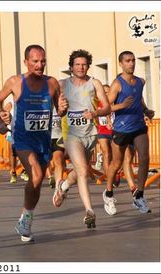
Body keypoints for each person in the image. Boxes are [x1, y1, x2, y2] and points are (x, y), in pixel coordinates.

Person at [0, 44, 68, 242]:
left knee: (37, 183)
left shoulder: (52, 83)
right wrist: (0, 116)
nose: (40, 65)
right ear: (26, 62)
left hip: (43, 140)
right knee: (36, 175)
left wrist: (63, 108)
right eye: (35, 61)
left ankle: (25, 219)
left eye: (43, 61)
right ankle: (26, 219)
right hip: (22, 138)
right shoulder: (15, 82)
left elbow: (60, 110)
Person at [53, 49, 111, 229]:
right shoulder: (61, 84)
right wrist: (60, 109)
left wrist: (95, 112)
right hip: (71, 134)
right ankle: (89, 211)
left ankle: (63, 186)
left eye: (84, 64)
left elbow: (107, 107)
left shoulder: (95, 83)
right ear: (71, 66)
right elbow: (55, 108)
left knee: (82, 170)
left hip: (90, 134)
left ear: (88, 66)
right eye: (77, 64)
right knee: (83, 171)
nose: (81, 67)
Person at [102, 51, 154, 215]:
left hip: (138, 125)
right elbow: (105, 107)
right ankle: (108, 193)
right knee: (116, 163)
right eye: (127, 61)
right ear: (121, 64)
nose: (131, 63)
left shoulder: (140, 81)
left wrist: (146, 110)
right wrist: (121, 106)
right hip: (121, 129)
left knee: (145, 158)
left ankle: (139, 195)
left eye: (133, 60)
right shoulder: (117, 84)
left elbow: (138, 98)